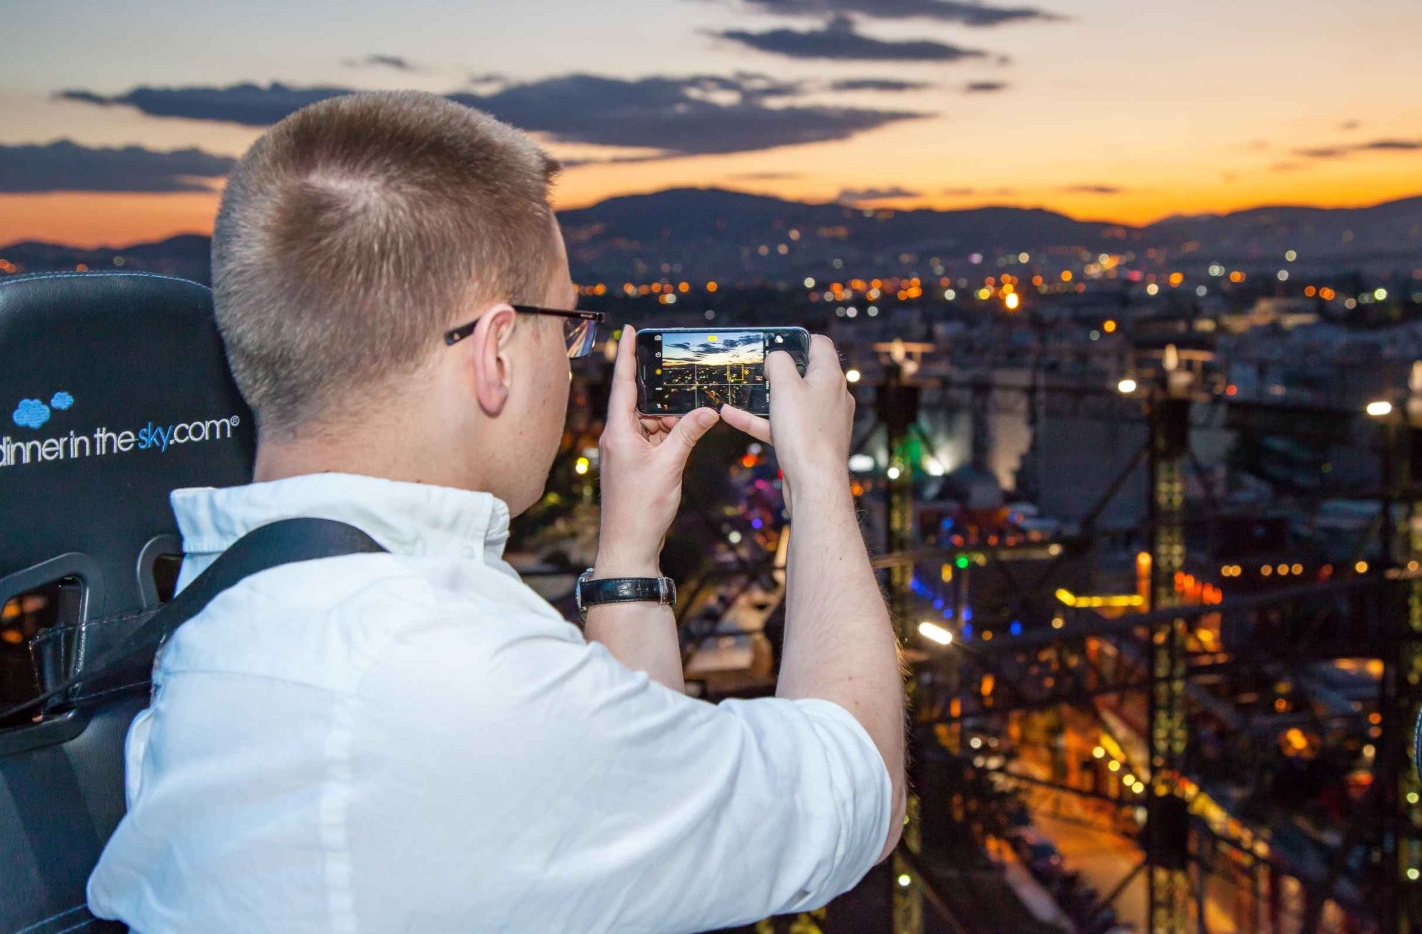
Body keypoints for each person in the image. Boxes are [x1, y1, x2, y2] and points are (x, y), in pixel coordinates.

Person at [87, 91, 907, 933]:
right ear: (496, 352)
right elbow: (860, 786)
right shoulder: (449, 677)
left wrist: (628, 543)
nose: (574, 355)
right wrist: (816, 475)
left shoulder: (219, 620)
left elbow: (625, 800)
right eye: (568, 324)